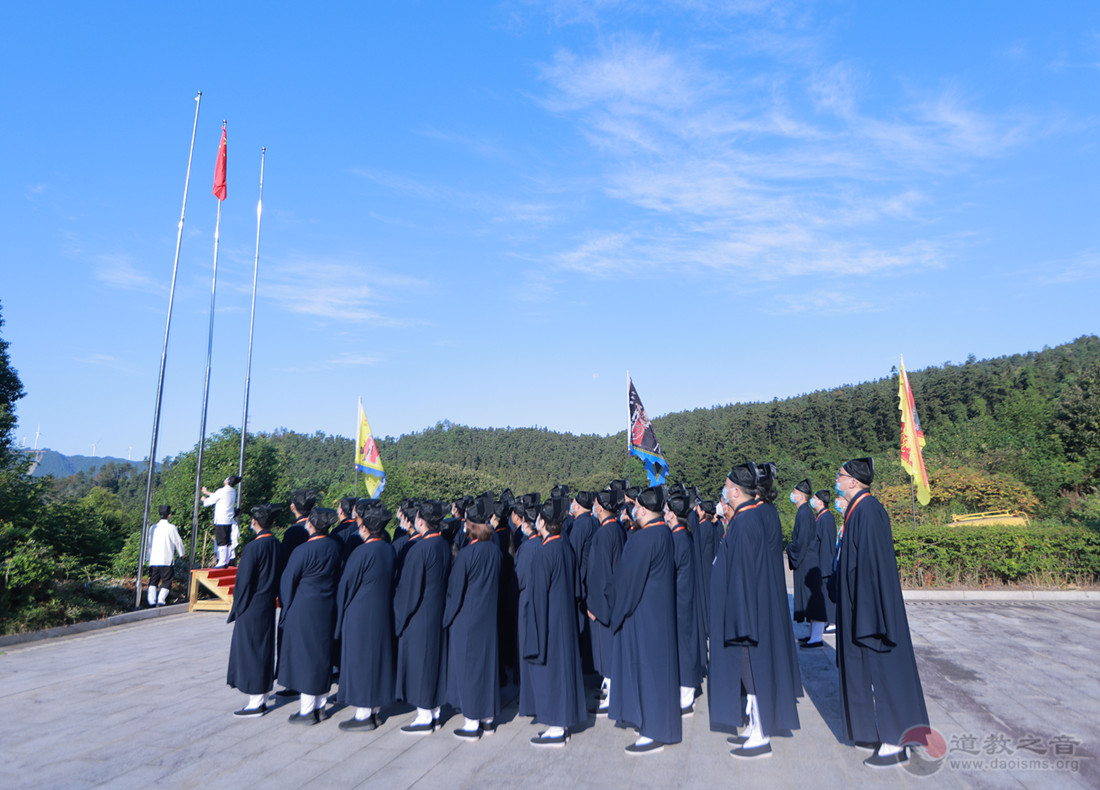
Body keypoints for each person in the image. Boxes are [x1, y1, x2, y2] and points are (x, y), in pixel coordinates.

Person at [834, 457, 930, 769]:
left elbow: (872, 568)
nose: (837, 479)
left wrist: (868, 615)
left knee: (887, 673)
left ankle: (896, 742)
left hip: (873, 610)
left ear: (852, 482)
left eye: (840, 475)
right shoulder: (858, 510)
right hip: (862, 607)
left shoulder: (869, 511)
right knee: (868, 673)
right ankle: (876, 733)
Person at [710, 463, 801, 760]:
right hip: (743, 610)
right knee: (747, 673)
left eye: (726, 487)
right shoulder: (745, 517)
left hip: (747, 613)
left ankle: (761, 736)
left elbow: (746, 575)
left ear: (735, 491)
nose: (724, 492)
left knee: (754, 672)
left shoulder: (748, 521)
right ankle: (754, 726)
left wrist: (742, 616)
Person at [609, 485, 681, 755]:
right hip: (659, 612)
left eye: (636, 505)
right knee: (658, 672)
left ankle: (651, 731)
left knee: (647, 672)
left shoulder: (642, 539)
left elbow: (627, 583)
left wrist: (614, 612)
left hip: (642, 614)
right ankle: (660, 726)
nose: (633, 509)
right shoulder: (663, 532)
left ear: (643, 508)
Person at [523, 497, 586, 747]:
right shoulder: (564, 547)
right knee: (562, 671)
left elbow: (537, 598)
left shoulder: (544, 552)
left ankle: (557, 727)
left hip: (549, 623)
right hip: (564, 619)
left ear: (543, 522)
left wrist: (533, 632)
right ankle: (560, 724)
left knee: (551, 673)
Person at [443, 498, 502, 739]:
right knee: (487, 668)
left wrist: (447, 618)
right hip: (487, 616)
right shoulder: (495, 551)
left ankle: (472, 722)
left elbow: (455, 591)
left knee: (469, 669)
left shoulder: (467, 555)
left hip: (467, 618)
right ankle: (487, 718)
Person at [277, 507, 342, 725]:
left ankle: (307, 711)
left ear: (311, 525)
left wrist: (287, 608)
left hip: (304, 609)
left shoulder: (303, 551)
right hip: (327, 607)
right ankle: (320, 706)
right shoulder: (335, 546)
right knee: (322, 656)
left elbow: (288, 582)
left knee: (305, 658)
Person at [335, 505, 397, 731]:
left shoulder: (362, 552)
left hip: (360, 614)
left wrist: (341, 612)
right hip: (380, 611)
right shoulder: (388, 549)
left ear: (366, 528)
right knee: (376, 660)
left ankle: (363, 713)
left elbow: (346, 585)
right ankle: (375, 711)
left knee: (360, 661)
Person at [394, 500, 452, 733]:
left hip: (419, 615)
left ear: (421, 520)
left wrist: (399, 617)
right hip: (436, 610)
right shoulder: (442, 544)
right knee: (433, 662)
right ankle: (433, 711)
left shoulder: (420, 549)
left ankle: (425, 716)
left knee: (421, 665)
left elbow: (409, 590)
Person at [226, 503, 282, 717]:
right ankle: (263, 695)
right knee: (264, 648)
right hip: (267, 602)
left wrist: (237, 607)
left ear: (255, 522)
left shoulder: (253, 548)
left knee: (251, 651)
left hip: (251, 605)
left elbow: (243, 583)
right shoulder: (276, 544)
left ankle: (256, 701)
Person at [586, 487, 626, 712]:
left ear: (600, 506)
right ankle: (608, 687)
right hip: (613, 597)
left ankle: (611, 695)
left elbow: (600, 573)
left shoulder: (604, 533)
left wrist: (595, 605)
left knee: (606, 649)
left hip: (604, 602)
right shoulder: (616, 528)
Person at [665, 490, 704, 714]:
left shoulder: (679, 537)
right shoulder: (681, 534)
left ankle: (687, 696)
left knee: (685, 646)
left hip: (682, 599)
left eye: (668, 511)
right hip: (683, 596)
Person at [804, 489, 838, 644]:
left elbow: (827, 544)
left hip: (824, 564)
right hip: (820, 562)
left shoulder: (826, 518)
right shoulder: (821, 517)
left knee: (827, 595)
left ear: (820, 501)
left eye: (815, 498)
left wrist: (824, 566)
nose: (813, 501)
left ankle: (832, 622)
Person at [786, 479, 816, 629]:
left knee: (809, 597)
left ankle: (814, 636)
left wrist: (790, 548)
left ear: (801, 496)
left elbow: (802, 540)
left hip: (806, 559)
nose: (792, 495)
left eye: (795, 493)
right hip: (805, 558)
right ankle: (812, 634)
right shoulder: (803, 512)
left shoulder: (804, 513)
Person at [145, 504, 184, 607]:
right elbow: (178, 542)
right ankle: (161, 600)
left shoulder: (153, 528)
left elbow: (149, 543)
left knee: (153, 581)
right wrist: (182, 554)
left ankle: (151, 601)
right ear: (169, 515)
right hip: (166, 559)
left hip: (154, 559)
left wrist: (148, 558)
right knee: (166, 581)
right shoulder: (171, 528)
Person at [202, 475, 241, 568]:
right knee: (227, 540)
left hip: (221, 519)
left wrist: (204, 500)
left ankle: (222, 562)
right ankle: (226, 560)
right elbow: (216, 495)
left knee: (221, 541)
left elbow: (213, 499)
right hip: (228, 519)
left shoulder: (222, 491)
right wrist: (207, 492)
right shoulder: (232, 491)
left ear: (227, 481)